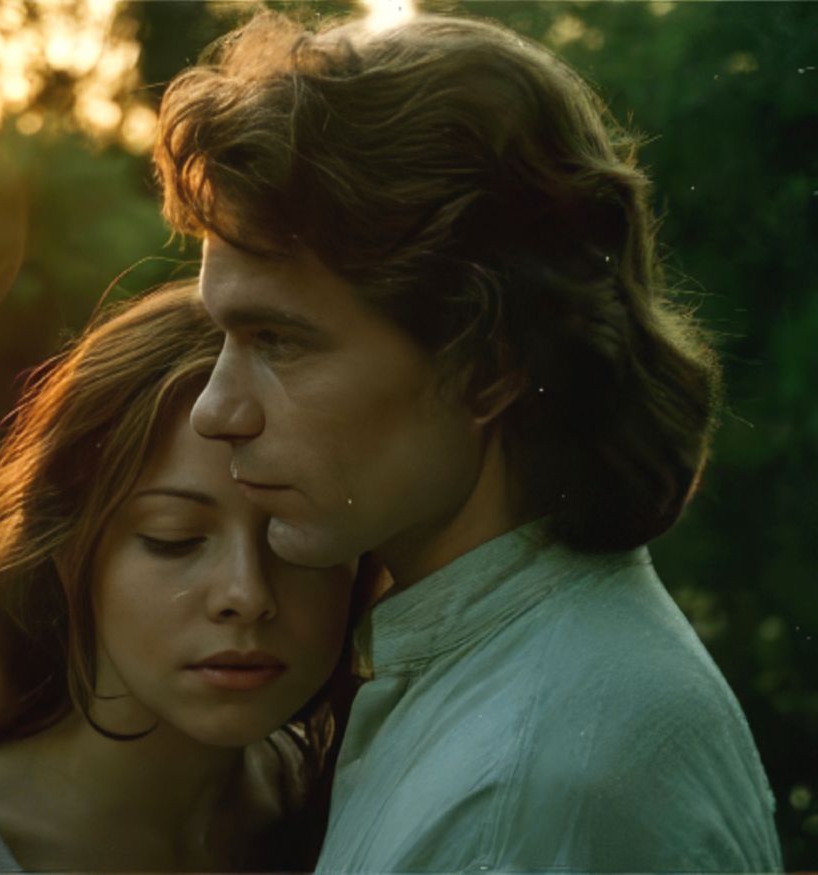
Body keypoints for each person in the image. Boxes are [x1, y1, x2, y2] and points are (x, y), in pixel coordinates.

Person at [154, 10, 783, 873]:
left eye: (279, 342)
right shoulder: (502, 674)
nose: (216, 410)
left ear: (489, 364)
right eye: (224, 337)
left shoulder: (516, 791)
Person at [0, 281, 370, 873]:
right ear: (69, 550)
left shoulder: (356, 791)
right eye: (175, 537)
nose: (247, 594)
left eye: (292, 537)